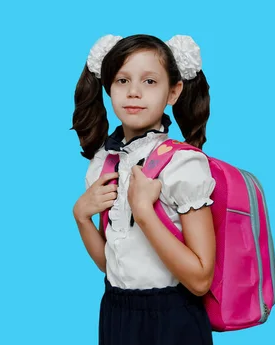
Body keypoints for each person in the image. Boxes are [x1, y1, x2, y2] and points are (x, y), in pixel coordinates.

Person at [71, 34, 216, 345]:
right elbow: (112, 265)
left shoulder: (184, 165)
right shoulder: (104, 164)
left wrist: (145, 213)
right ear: (108, 86)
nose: (134, 92)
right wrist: (82, 218)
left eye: (150, 82)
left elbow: (201, 279)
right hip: (116, 312)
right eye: (122, 80)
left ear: (173, 91)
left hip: (172, 318)